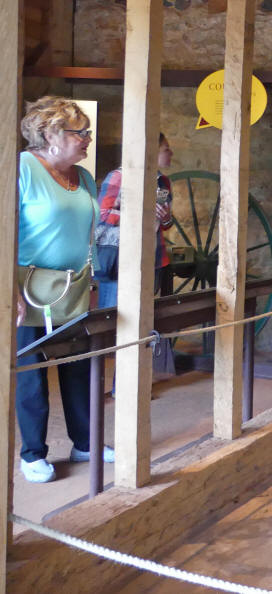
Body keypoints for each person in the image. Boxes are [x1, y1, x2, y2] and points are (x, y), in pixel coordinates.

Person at [16, 96, 114, 483]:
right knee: (30, 371)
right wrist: (9, 290)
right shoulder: (22, 169)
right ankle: (32, 454)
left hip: (73, 286)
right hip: (28, 288)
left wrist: (90, 280)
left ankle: (85, 443)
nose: (88, 139)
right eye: (81, 132)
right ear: (51, 134)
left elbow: (88, 233)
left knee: (79, 366)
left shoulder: (84, 177)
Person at [95, 133, 174, 308]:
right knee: (112, 318)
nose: (171, 153)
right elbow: (102, 215)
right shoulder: (119, 177)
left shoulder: (163, 183)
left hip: (154, 258)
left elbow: (163, 224)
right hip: (120, 259)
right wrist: (137, 216)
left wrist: (166, 218)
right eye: (166, 150)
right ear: (152, 151)